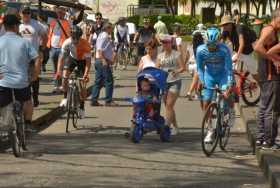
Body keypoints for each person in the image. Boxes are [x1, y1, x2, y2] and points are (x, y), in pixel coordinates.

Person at [0, 14, 40, 132]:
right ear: (16, 26)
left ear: (4, 26)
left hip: (3, 82)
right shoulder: (24, 42)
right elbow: (37, 58)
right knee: (27, 101)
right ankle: (27, 123)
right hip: (21, 82)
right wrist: (35, 76)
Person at [196, 27, 234, 143]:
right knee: (206, 102)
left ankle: (229, 111)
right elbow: (200, 68)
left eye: (214, 45)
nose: (211, 47)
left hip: (223, 75)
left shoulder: (224, 50)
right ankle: (210, 130)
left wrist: (229, 84)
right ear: (205, 42)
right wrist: (201, 81)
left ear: (218, 42)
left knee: (226, 96)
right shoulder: (200, 50)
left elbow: (228, 69)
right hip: (209, 76)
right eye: (209, 45)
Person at [253, 8, 280, 149]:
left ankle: (261, 138)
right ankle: (268, 141)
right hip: (270, 75)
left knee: (264, 106)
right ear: (276, 18)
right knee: (271, 109)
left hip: (265, 73)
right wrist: (274, 59)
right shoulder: (269, 30)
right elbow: (257, 47)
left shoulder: (269, 29)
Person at [56, 25, 91, 118]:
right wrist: (58, 71)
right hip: (72, 59)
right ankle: (65, 98)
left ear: (80, 37)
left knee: (82, 86)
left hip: (82, 61)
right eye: (73, 38)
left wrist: (86, 74)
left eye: (77, 39)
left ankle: (82, 107)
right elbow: (61, 58)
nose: (75, 41)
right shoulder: (67, 42)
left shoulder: (86, 44)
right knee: (64, 77)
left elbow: (88, 62)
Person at [156, 34, 186, 135]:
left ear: (170, 43)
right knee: (168, 107)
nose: (164, 44)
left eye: (166, 42)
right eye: (163, 42)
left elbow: (183, 68)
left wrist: (176, 71)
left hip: (175, 82)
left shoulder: (176, 54)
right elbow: (156, 69)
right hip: (164, 83)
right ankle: (176, 126)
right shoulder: (160, 56)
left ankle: (167, 128)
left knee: (169, 105)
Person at [19, 6, 48, 107]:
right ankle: (24, 98)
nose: (26, 15)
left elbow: (45, 36)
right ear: (20, 14)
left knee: (35, 77)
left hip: (33, 56)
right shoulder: (17, 25)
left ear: (30, 14)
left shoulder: (36, 24)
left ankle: (35, 97)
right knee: (22, 78)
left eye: (28, 13)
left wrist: (42, 49)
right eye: (24, 13)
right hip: (20, 57)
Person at [219, 15, 259, 82]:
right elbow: (220, 43)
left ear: (231, 24)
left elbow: (242, 44)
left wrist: (237, 56)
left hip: (248, 52)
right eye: (223, 25)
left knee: (254, 73)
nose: (224, 26)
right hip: (239, 52)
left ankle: (262, 85)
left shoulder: (239, 28)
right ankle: (238, 86)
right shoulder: (225, 31)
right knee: (230, 67)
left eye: (226, 24)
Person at [91, 23, 118, 107]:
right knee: (109, 81)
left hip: (100, 60)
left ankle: (94, 100)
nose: (112, 30)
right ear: (108, 28)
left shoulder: (102, 35)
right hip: (102, 61)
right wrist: (104, 60)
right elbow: (100, 49)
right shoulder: (104, 36)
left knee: (98, 81)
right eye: (111, 28)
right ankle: (108, 101)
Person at [47, 6, 71, 93]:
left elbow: (69, 33)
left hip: (62, 48)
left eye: (61, 13)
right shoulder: (52, 21)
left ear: (64, 14)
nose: (60, 14)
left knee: (61, 68)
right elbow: (49, 32)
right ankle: (56, 86)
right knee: (55, 68)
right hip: (53, 47)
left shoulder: (68, 22)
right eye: (58, 12)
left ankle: (61, 86)